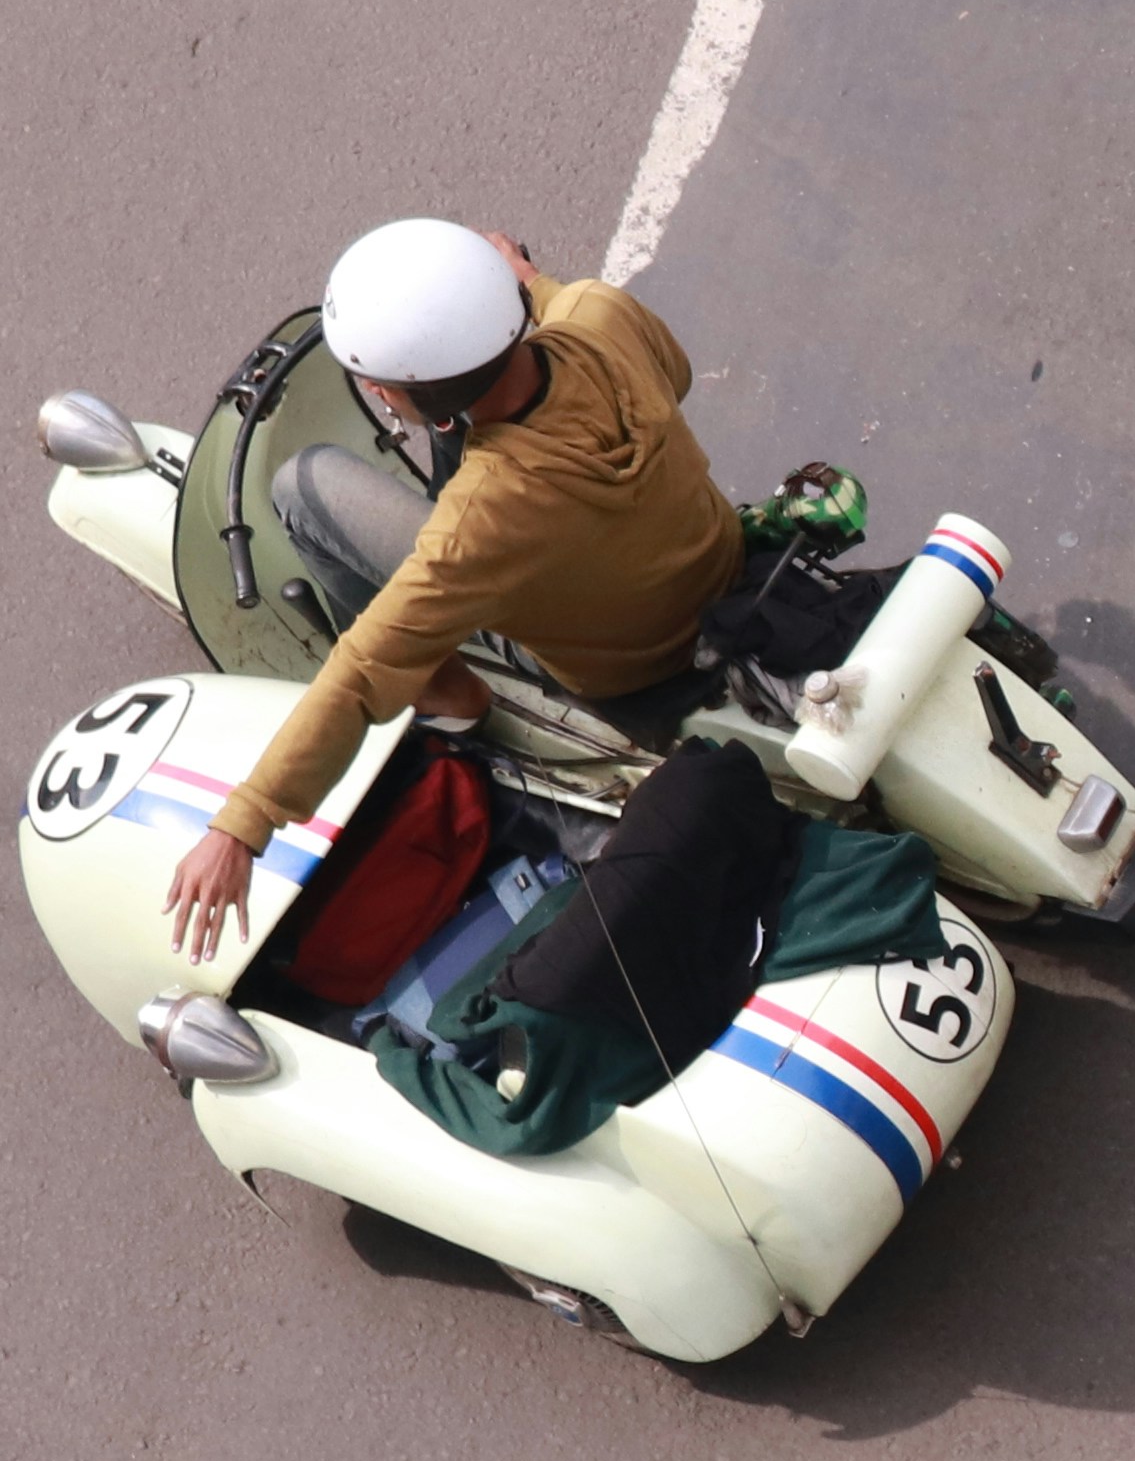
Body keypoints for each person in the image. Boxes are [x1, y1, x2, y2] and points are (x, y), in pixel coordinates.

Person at [160, 220, 744, 962]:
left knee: (302, 486)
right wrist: (533, 285)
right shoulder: (599, 313)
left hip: (630, 672)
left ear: (391, 394)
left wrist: (241, 826)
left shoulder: (477, 527)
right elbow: (673, 372)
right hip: (715, 570)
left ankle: (445, 692)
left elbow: (361, 671)